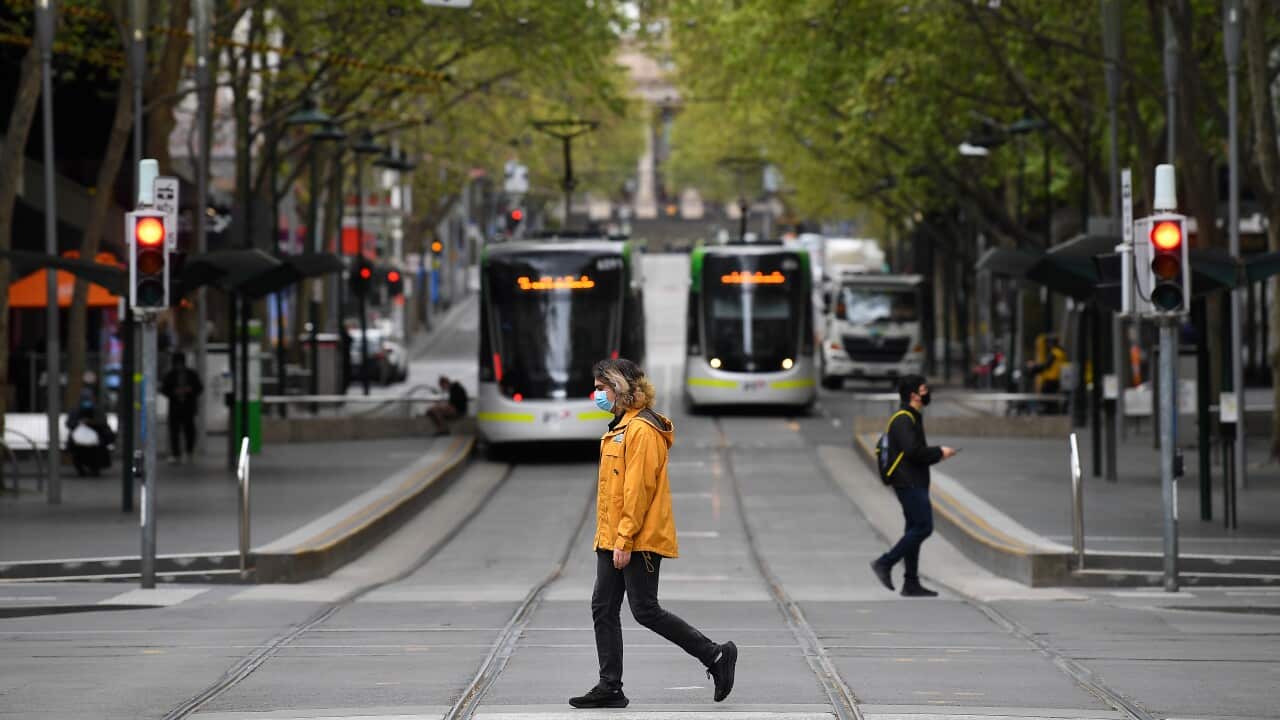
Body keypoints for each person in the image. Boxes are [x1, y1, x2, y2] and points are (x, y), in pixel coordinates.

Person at [570, 358, 737, 709]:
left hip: (636, 538)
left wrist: (625, 539)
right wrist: (612, 537)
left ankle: (717, 656)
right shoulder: (620, 428)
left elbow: (638, 490)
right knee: (603, 607)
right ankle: (610, 686)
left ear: (619, 389)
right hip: (614, 536)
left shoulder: (642, 431)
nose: (596, 394)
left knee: (645, 609)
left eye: (601, 388)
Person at [870, 375, 957, 598]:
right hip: (908, 482)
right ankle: (885, 563)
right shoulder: (903, 419)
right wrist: (940, 452)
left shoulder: (912, 417)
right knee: (923, 527)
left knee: (913, 529)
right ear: (913, 395)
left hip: (913, 480)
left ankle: (910, 583)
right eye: (923, 389)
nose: (927, 393)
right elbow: (912, 452)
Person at [160, 351, 203, 463]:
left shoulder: (191, 374)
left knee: (190, 431)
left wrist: (190, 390)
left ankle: (189, 451)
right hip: (175, 407)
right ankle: (176, 454)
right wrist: (174, 392)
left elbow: (199, 387)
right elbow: (164, 389)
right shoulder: (171, 375)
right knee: (174, 431)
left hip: (188, 407)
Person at [65, 400, 115, 477]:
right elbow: (70, 423)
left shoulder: (97, 411)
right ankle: (85, 470)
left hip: (94, 442)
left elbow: (103, 424)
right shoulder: (76, 411)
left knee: (95, 456)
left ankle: (93, 469)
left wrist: (91, 423)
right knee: (80, 456)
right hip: (80, 441)